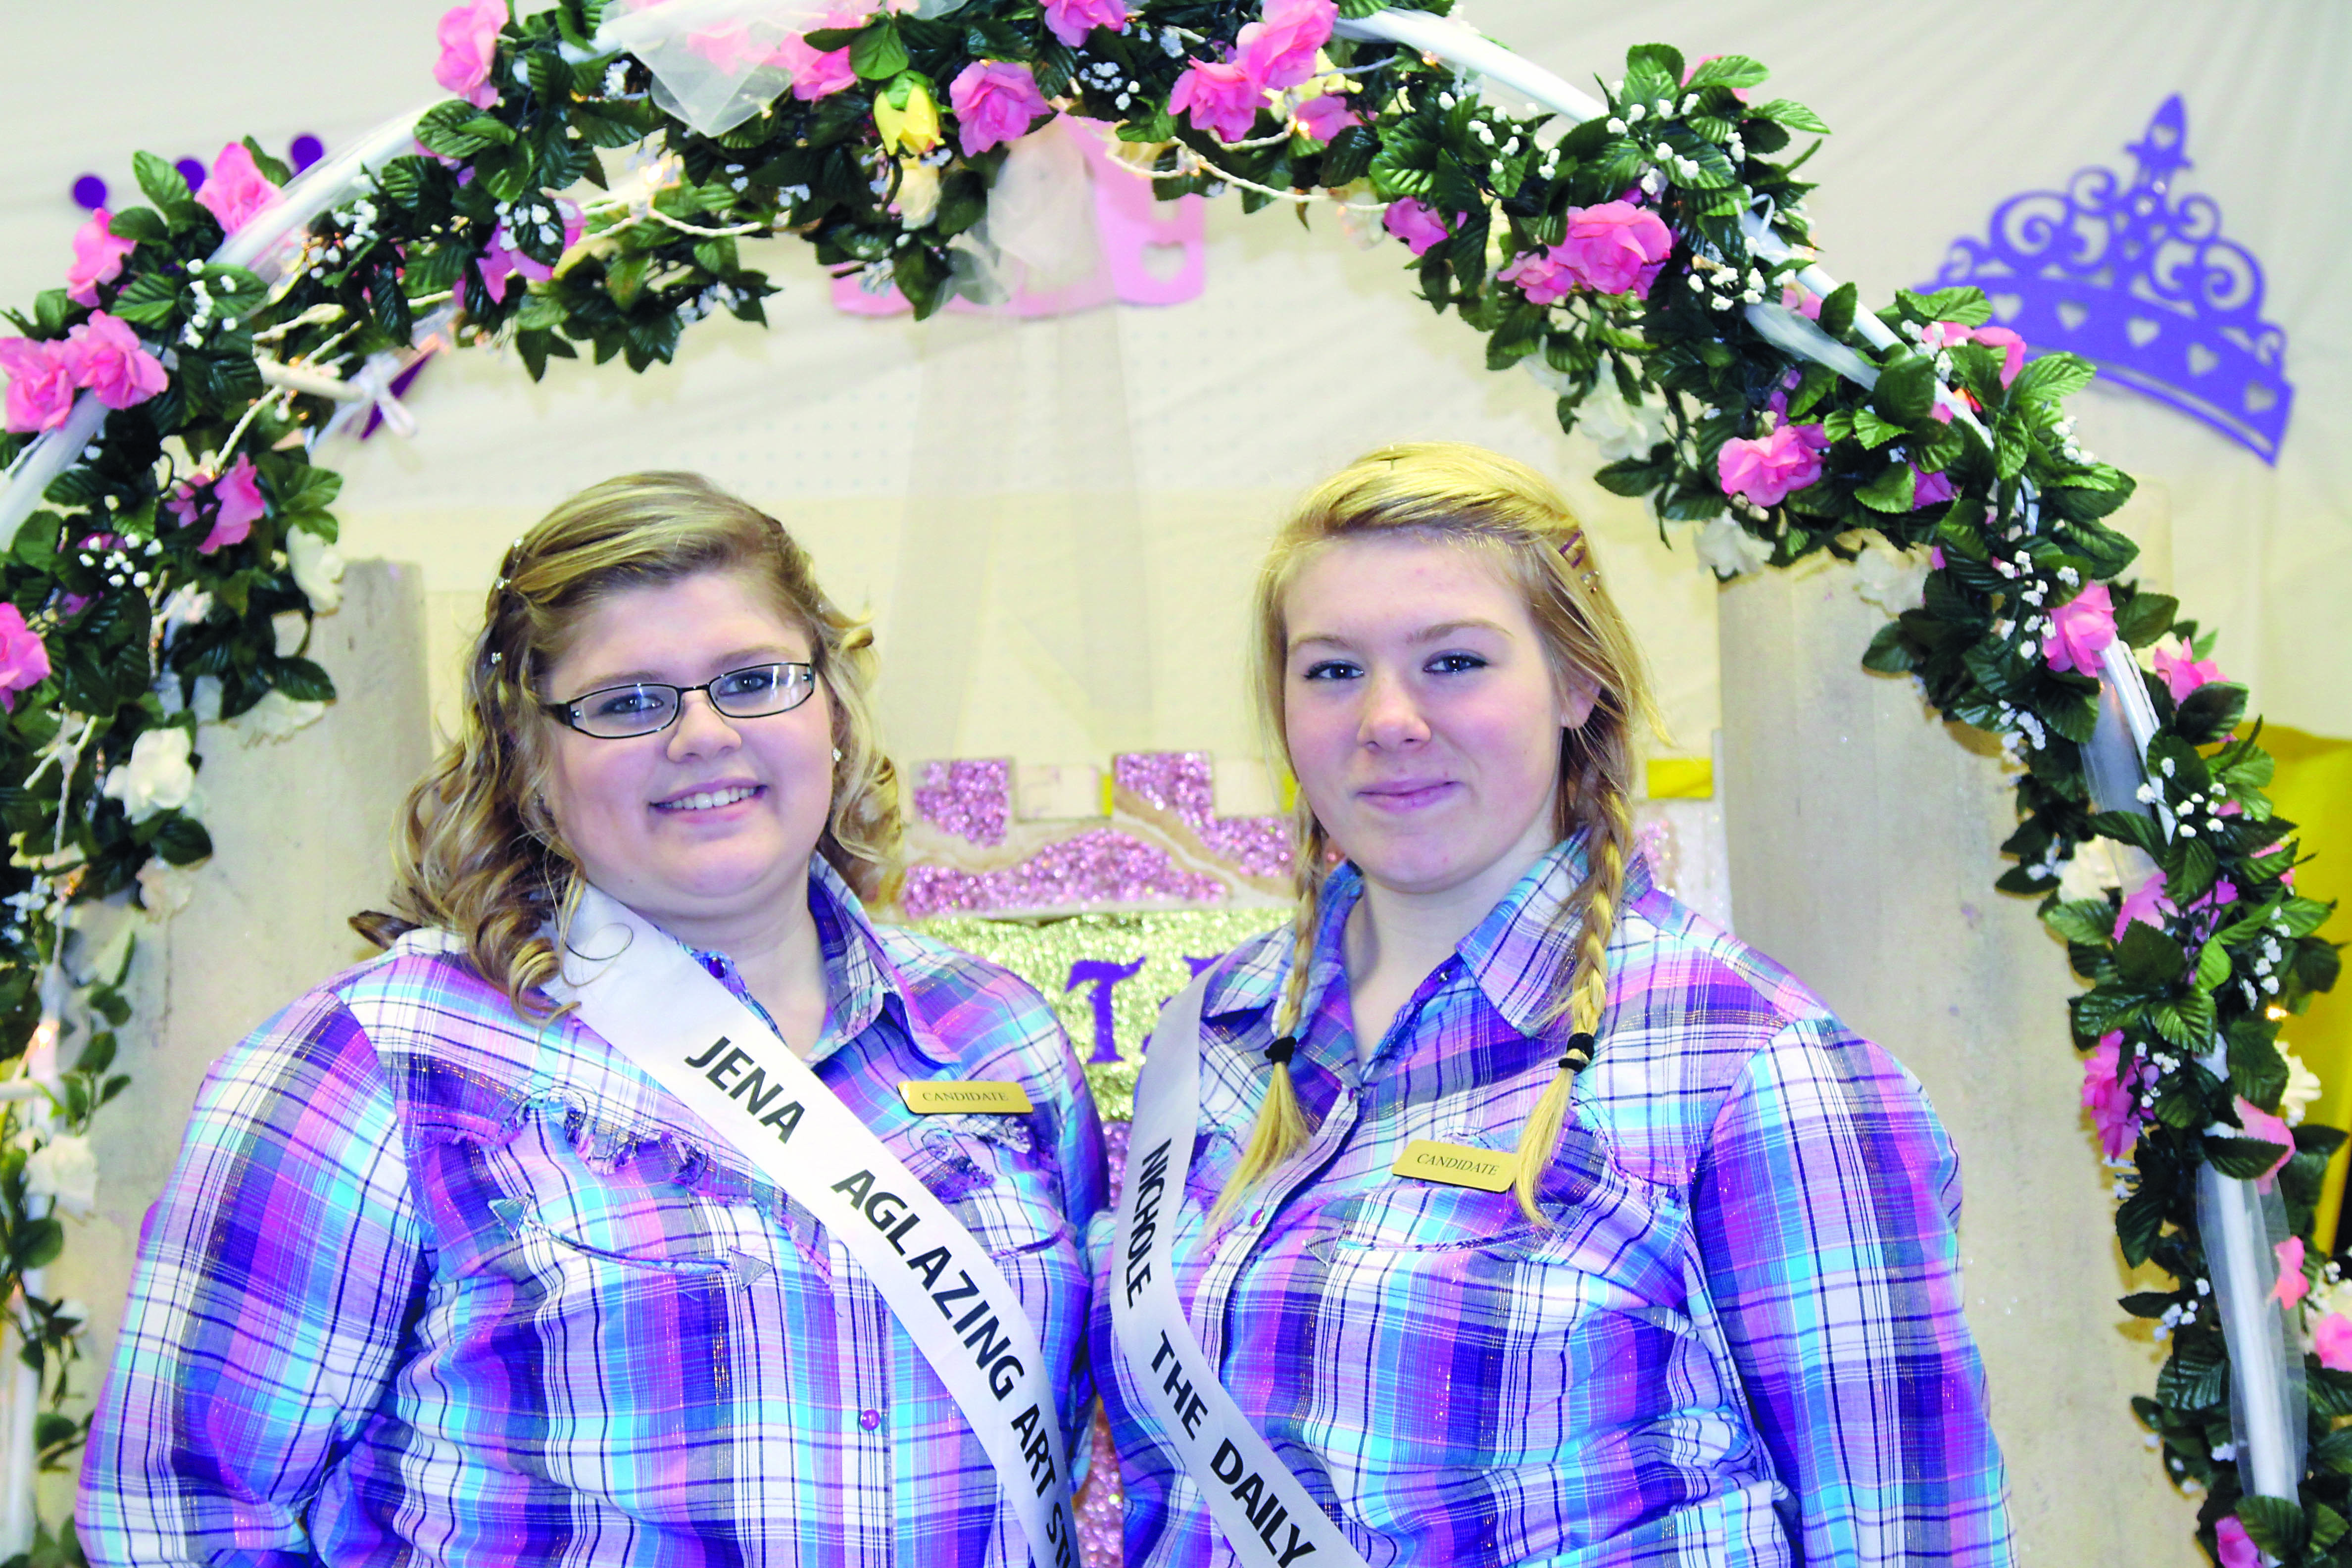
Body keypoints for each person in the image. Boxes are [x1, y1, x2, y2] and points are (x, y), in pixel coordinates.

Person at [81, 473, 1105, 1566]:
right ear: (531, 764)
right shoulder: (371, 1060)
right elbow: (176, 1519)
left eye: (754, 681)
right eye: (628, 702)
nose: (704, 736)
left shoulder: (1000, 1035)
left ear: (835, 715)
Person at [1096, 443, 2013, 1566]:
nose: (1387, 719)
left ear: (1578, 682)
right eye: (1332, 670)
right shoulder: (1217, 1036)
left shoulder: (1756, 1067)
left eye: (1455, 662)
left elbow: (1908, 1538)